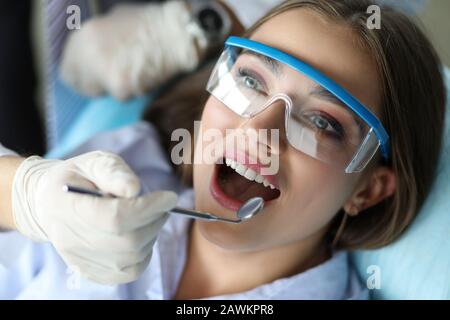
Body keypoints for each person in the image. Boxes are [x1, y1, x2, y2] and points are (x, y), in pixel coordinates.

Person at [0, 0, 446, 299]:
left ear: (367, 191)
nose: (259, 127)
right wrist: (28, 196)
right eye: (251, 80)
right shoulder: (137, 161)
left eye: (322, 122)